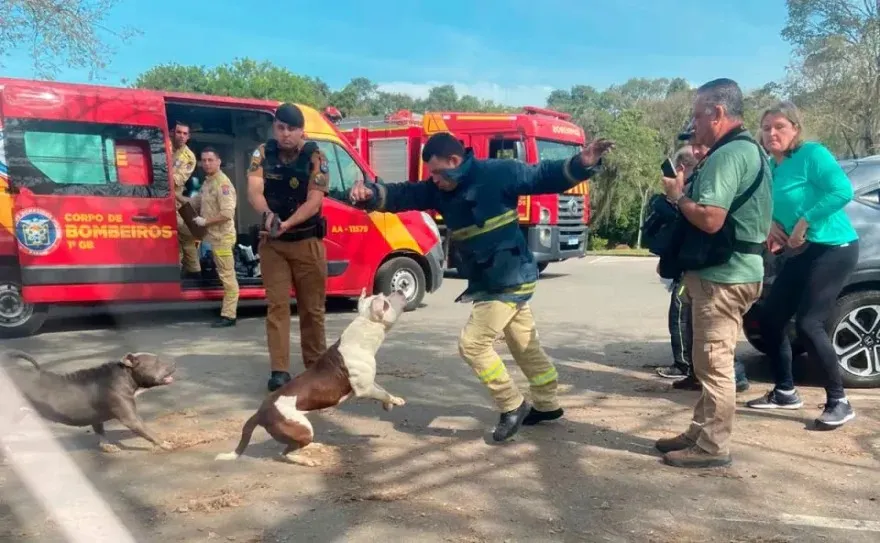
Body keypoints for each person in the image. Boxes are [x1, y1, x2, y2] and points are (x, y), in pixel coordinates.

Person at [349, 132, 614, 442]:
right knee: (522, 342)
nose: (434, 180)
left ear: (454, 161)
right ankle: (547, 403)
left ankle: (511, 405)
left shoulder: (499, 173)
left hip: (509, 277)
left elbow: (544, 175)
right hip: (490, 280)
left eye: (437, 171)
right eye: (430, 174)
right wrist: (371, 193)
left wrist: (581, 163)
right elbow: (405, 194)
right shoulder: (439, 189)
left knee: (472, 344)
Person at [655, 78, 772, 469]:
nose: (694, 123)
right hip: (739, 270)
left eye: (697, 114)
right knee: (711, 360)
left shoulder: (727, 155)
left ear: (718, 113)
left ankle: (711, 446)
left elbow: (710, 219)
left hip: (723, 275)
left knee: (714, 362)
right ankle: (699, 431)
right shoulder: (751, 151)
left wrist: (678, 197)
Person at [745, 101, 859, 429]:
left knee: (810, 323)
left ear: (795, 128)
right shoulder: (770, 165)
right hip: (800, 252)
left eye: (779, 126)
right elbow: (765, 204)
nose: (771, 133)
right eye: (766, 128)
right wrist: (770, 225)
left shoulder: (812, 154)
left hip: (834, 248)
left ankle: (839, 401)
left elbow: (842, 191)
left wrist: (804, 221)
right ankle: (785, 391)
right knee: (771, 319)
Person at [656, 141, 751, 394]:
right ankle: (695, 374)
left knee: (714, 341)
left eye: (700, 147)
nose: (699, 151)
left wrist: (677, 197)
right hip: (693, 267)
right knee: (696, 326)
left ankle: (732, 375)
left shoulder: (711, 180)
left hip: (717, 268)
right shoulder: (699, 182)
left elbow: (706, 222)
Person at [247, 103, 330, 392]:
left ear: (301, 130)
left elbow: (314, 200)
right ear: (275, 128)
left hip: (307, 241)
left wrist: (289, 222)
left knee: (312, 309)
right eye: (281, 128)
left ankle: (316, 368)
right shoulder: (262, 153)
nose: (285, 134)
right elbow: (254, 189)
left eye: (291, 129)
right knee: (277, 308)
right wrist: (268, 215)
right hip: (274, 245)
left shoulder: (315, 156)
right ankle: (279, 370)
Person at [182, 147, 240, 328]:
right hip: (211, 238)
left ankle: (229, 315)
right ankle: (226, 310)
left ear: (218, 161)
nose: (207, 163)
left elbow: (227, 213)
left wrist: (204, 221)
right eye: (204, 160)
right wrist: (173, 197)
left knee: (227, 277)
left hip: (222, 237)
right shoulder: (208, 183)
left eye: (210, 160)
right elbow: (195, 202)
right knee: (220, 274)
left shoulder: (223, 184)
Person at [171, 121, 200, 278]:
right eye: (178, 132)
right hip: (156, 198)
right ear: (172, 132)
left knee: (186, 236)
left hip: (174, 200)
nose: (181, 136)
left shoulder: (189, 157)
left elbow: (175, 180)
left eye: (184, 133)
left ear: (188, 136)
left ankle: (194, 273)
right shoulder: (162, 145)